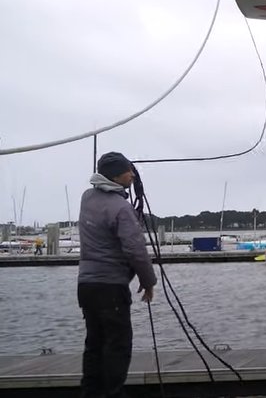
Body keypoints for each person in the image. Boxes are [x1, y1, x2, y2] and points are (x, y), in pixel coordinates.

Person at [78, 152, 157, 398]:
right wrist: (148, 281)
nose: (133, 175)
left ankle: (90, 394)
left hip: (86, 285)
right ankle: (112, 394)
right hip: (111, 287)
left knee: (94, 344)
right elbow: (135, 250)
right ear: (115, 175)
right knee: (117, 345)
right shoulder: (121, 208)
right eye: (128, 171)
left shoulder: (87, 197)